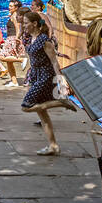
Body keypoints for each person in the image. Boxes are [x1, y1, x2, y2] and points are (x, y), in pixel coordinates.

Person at [19, 11, 72, 156]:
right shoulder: (32, 38)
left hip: (45, 76)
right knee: (42, 114)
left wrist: (61, 82)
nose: (24, 26)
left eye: (25, 23)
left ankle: (62, 103)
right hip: (36, 75)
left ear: (34, 24)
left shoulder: (44, 40)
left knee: (26, 106)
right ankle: (53, 145)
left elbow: (54, 62)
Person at [0, 1, 28, 88]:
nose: (9, 7)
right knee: (8, 62)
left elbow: (18, 28)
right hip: (10, 38)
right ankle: (14, 81)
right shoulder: (13, 15)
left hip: (13, 38)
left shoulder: (15, 16)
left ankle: (21, 60)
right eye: (9, 6)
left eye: (11, 6)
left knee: (2, 57)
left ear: (16, 8)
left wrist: (17, 39)